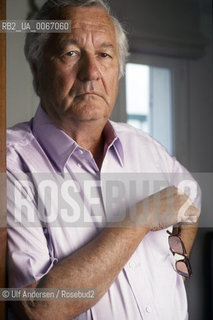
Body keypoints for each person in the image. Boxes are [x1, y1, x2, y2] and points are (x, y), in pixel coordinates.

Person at [7, 0, 201, 319]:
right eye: (71, 53)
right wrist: (139, 218)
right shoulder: (11, 163)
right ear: (38, 69)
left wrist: (174, 262)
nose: (92, 73)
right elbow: (37, 307)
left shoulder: (144, 147)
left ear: (118, 71)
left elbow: (192, 195)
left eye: (104, 55)